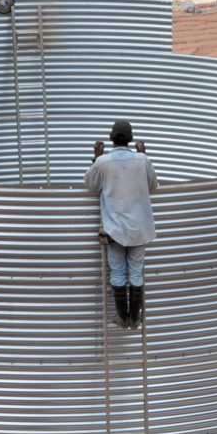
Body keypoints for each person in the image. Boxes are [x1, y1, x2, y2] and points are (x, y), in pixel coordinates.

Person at [84, 120, 158, 328]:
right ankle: (135, 318)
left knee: (117, 272)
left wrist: (97, 158)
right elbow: (152, 185)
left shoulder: (103, 162)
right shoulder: (143, 160)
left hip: (114, 229)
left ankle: (121, 317)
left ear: (111, 139)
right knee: (135, 271)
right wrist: (145, 154)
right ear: (132, 140)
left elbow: (89, 184)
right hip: (139, 229)